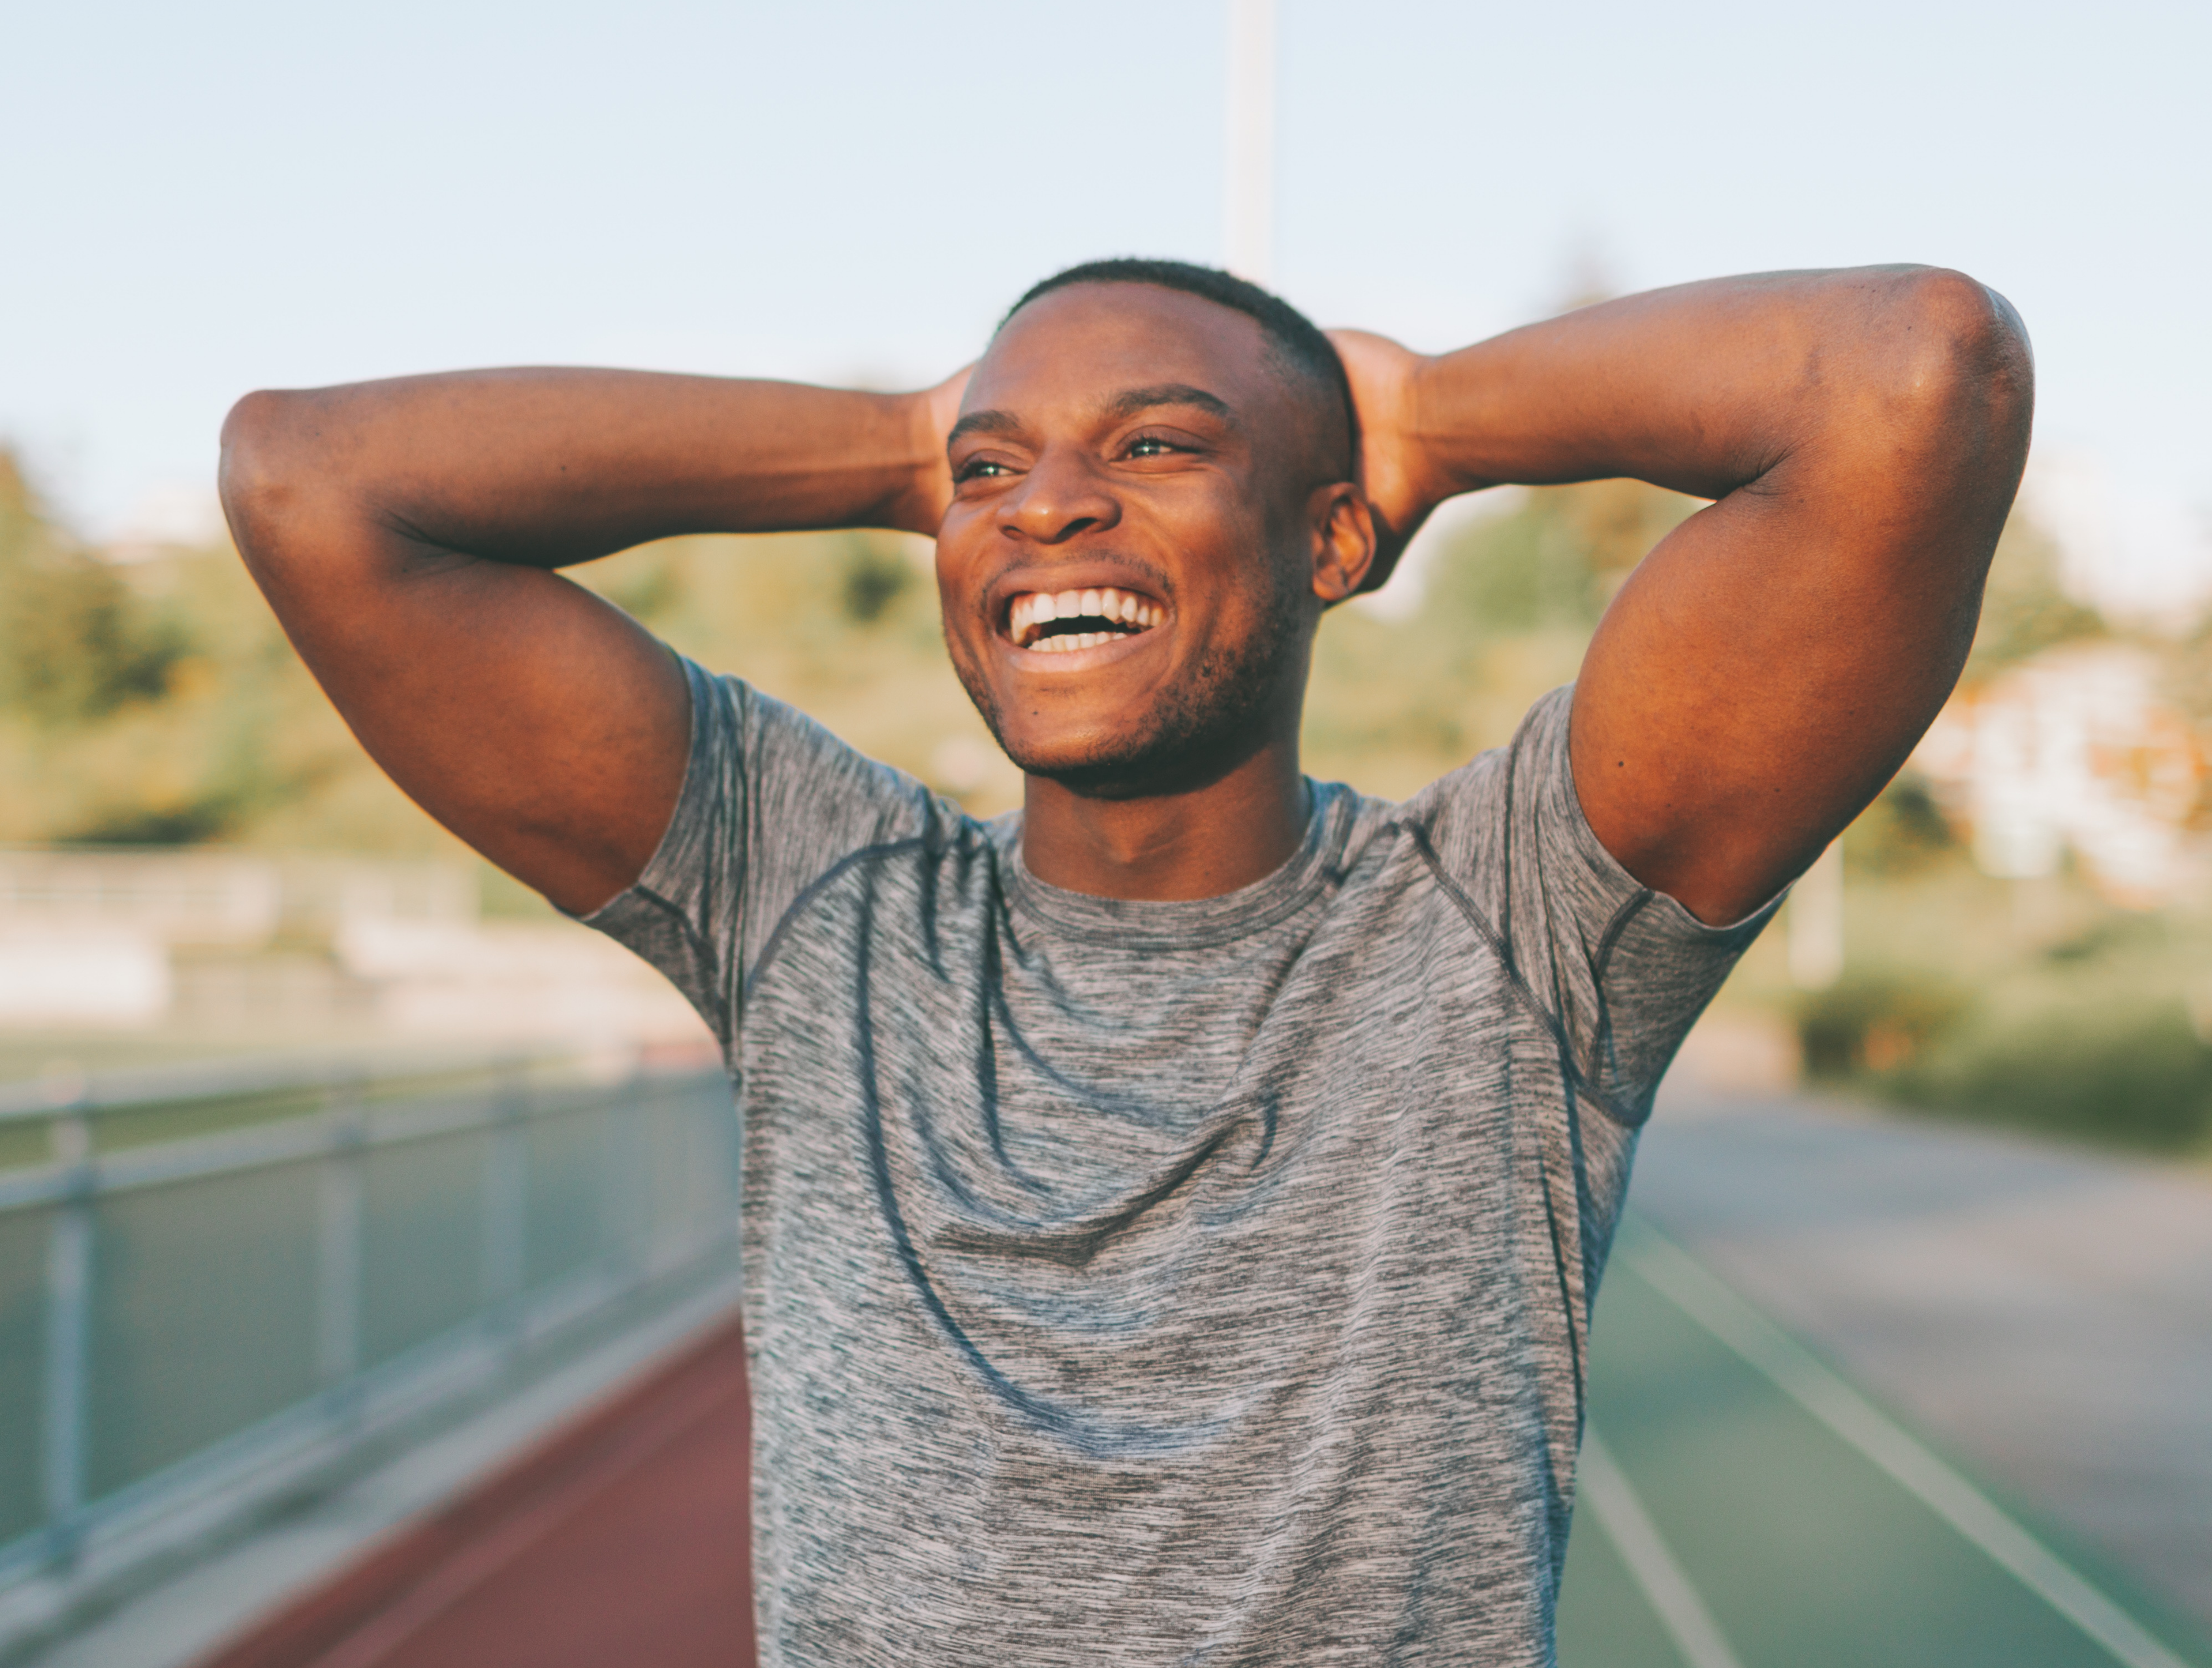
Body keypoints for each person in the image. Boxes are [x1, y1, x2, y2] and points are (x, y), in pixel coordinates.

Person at [220, 258, 2031, 1666]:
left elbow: (1913, 371)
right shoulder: (814, 898)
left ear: (1333, 536)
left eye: (1156, 446)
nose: (1049, 508)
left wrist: (1430, 416)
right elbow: (311, 479)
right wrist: (899, 444)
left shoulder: (1510, 925)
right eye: (994, 475)